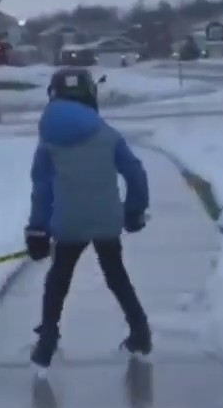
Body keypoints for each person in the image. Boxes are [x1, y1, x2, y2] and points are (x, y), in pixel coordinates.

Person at [25, 68, 151, 370]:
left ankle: (47, 339)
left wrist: (37, 229)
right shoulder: (108, 135)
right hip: (108, 218)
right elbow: (135, 172)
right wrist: (133, 210)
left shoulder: (48, 140)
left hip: (69, 223)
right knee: (116, 275)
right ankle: (140, 331)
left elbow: (42, 188)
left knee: (58, 278)